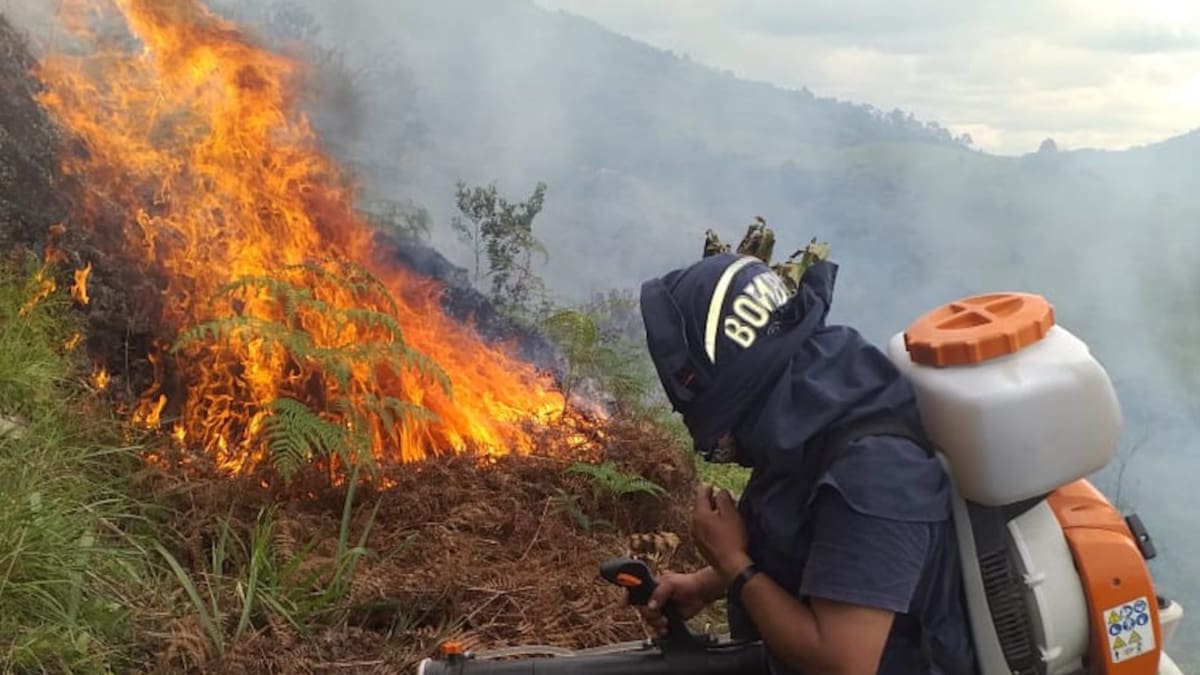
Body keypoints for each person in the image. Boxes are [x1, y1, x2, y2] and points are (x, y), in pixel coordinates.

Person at [630, 251, 978, 675]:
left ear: (724, 372)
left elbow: (843, 663)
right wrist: (704, 585)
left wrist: (734, 564)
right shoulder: (806, 407)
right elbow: (813, 545)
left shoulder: (874, 474)